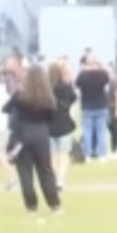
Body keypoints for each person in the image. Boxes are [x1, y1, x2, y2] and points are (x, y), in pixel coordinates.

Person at [3, 65, 61, 217]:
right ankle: (54, 203)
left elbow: (6, 109)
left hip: (23, 134)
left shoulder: (20, 96)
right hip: (41, 134)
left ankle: (31, 206)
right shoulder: (48, 98)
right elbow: (52, 118)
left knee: (25, 172)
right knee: (46, 170)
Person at [75, 55, 110, 161]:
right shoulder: (102, 74)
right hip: (101, 105)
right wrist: (101, 64)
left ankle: (87, 153)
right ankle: (102, 153)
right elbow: (108, 78)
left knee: (87, 131)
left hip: (87, 106)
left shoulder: (82, 75)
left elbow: (77, 84)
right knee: (101, 131)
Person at [48, 61, 76, 190]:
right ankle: (60, 180)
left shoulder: (46, 89)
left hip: (48, 125)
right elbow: (74, 98)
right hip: (64, 123)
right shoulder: (65, 87)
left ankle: (52, 179)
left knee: (52, 155)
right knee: (64, 155)